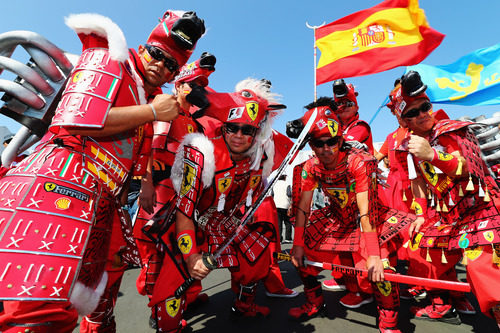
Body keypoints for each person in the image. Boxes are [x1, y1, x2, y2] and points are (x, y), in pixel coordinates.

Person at [0, 10, 205, 333]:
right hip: (59, 182)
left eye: (171, 65)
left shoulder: (148, 97)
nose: (161, 66)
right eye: (157, 55)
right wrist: (152, 111)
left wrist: (144, 181)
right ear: (142, 48)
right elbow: (75, 119)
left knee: (102, 298)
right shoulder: (108, 58)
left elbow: (133, 161)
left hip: (104, 201)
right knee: (39, 310)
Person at [147, 78, 287, 332]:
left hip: (228, 222)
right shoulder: (200, 153)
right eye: (233, 128)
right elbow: (185, 211)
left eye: (248, 130)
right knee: (174, 273)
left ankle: (244, 306)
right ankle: (168, 323)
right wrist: (191, 257)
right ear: (224, 125)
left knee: (256, 259)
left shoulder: (262, 155)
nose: (239, 136)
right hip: (192, 220)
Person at [286, 97, 412, 333]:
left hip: (367, 220)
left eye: (331, 142)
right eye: (317, 143)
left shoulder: (360, 162)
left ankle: (389, 322)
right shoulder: (310, 167)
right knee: (301, 256)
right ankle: (314, 302)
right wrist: (297, 244)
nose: (325, 149)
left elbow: (366, 211)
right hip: (336, 219)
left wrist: (374, 254)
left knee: (381, 267)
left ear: (340, 138)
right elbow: (303, 208)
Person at [390, 71, 494, 324]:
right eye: (412, 113)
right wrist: (419, 215)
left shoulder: (451, 130)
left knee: (485, 272)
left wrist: (433, 156)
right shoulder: (407, 147)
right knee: (419, 246)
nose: (422, 114)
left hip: (483, 209)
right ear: (403, 120)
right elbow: (417, 184)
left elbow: (471, 166)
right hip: (450, 216)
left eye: (424, 107)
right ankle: (445, 302)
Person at [133, 52, 216, 329]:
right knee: (160, 254)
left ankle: (188, 296)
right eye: (194, 84)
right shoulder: (167, 108)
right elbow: (150, 148)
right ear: (179, 85)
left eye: (202, 86)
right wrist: (146, 183)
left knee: (190, 249)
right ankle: (161, 311)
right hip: (162, 193)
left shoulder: (194, 120)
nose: (199, 91)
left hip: (187, 197)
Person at [272, 174, 292, 243]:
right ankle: (288, 238)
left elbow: (272, 194)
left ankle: (279, 239)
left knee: (278, 223)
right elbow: (289, 194)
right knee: (288, 222)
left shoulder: (274, 184)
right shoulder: (287, 184)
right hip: (285, 205)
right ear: (284, 177)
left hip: (276, 205)